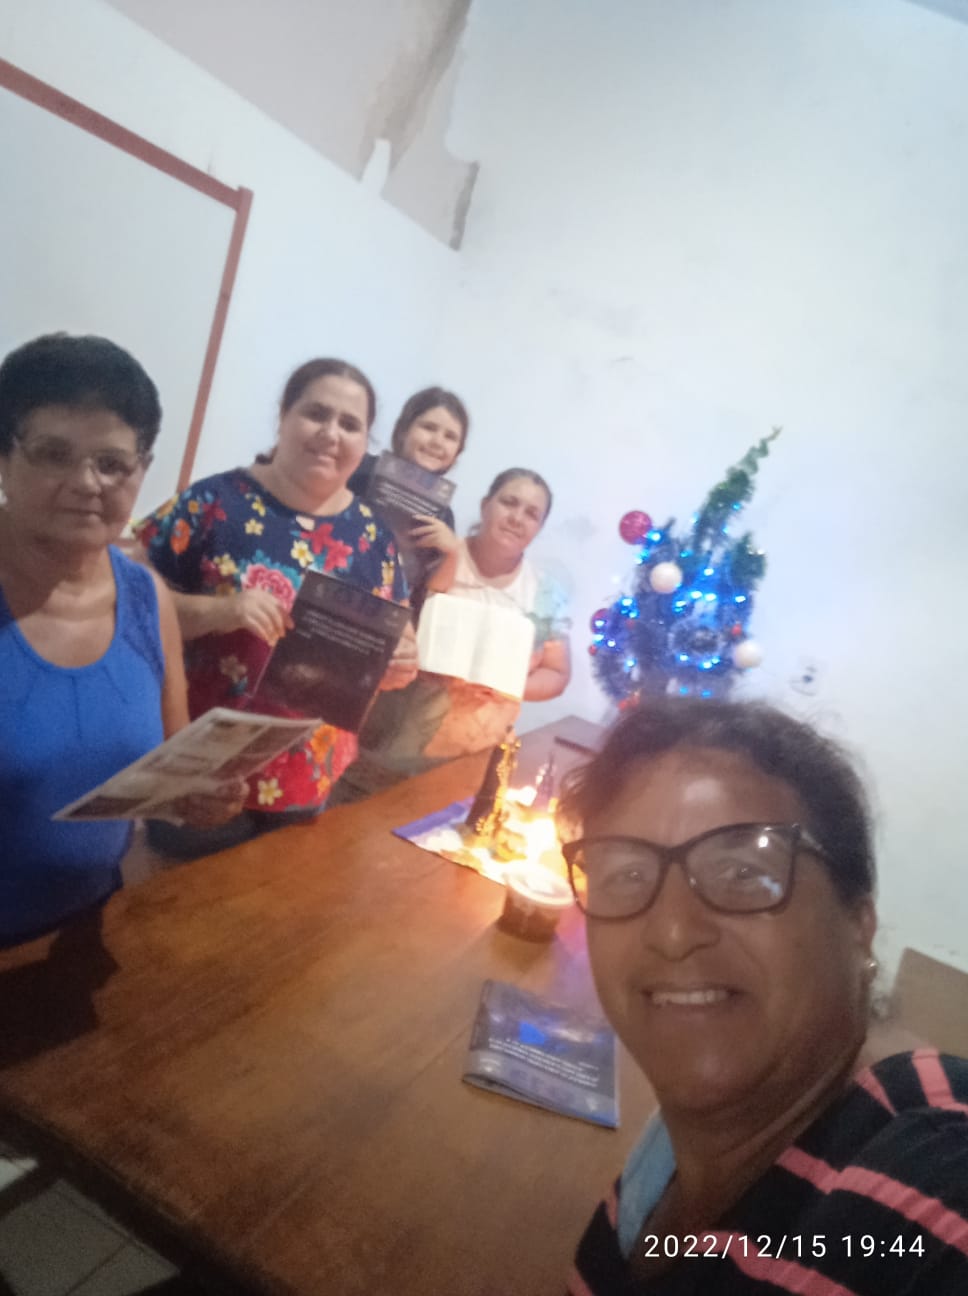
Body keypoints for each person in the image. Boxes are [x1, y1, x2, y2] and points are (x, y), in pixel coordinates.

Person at [557, 697, 968, 1295]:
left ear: (858, 923)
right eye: (627, 875)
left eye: (744, 873)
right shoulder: (659, 1168)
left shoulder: (935, 1183)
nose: (672, 932)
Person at [0, 333, 243, 948]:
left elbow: (171, 769)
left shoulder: (146, 599)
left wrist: (201, 798)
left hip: (84, 932)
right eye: (53, 454)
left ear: (142, 472)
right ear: (4, 458)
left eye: (112, 464)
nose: (87, 483)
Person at [135, 357, 416, 858]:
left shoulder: (375, 539)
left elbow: (395, 646)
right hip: (203, 773)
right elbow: (128, 603)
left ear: (365, 443)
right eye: (316, 413)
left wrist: (398, 665)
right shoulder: (214, 502)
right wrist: (218, 612)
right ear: (284, 416)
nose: (331, 434)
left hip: (309, 776)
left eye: (350, 424)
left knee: (275, 902)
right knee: (176, 898)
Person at [332, 467, 571, 802]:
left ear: (540, 527)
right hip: (386, 749)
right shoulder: (435, 555)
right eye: (509, 502)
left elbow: (557, 673)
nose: (517, 518)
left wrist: (507, 682)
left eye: (532, 514)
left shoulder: (546, 595)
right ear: (485, 505)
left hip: (471, 764)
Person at [347, 385, 469, 619]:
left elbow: (432, 593)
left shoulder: (444, 515)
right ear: (403, 430)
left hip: (385, 621)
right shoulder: (360, 469)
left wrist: (451, 552)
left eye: (450, 437)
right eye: (428, 427)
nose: (437, 441)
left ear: (457, 453)